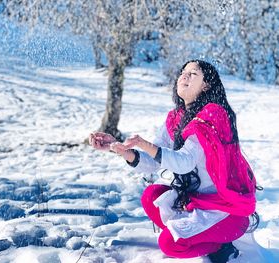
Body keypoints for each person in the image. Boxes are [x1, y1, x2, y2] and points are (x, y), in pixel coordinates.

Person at [89, 60, 259, 263]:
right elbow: (153, 162)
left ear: (206, 85)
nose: (184, 76)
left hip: (225, 212)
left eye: (193, 73)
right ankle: (195, 237)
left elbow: (185, 161)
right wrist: (119, 148)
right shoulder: (176, 118)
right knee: (151, 196)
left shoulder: (213, 115)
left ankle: (221, 247)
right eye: (183, 72)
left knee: (169, 245)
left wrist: (144, 144)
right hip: (197, 202)